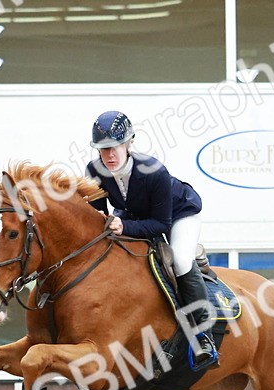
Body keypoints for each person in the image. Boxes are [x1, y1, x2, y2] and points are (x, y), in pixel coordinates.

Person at [85, 110, 218, 371]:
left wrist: (123, 225)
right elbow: (98, 214)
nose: (109, 155)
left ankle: (204, 336)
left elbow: (160, 225)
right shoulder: (94, 169)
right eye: (102, 149)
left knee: (179, 261)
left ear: (128, 144)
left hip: (178, 214)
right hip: (133, 214)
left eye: (114, 147)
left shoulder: (153, 171)